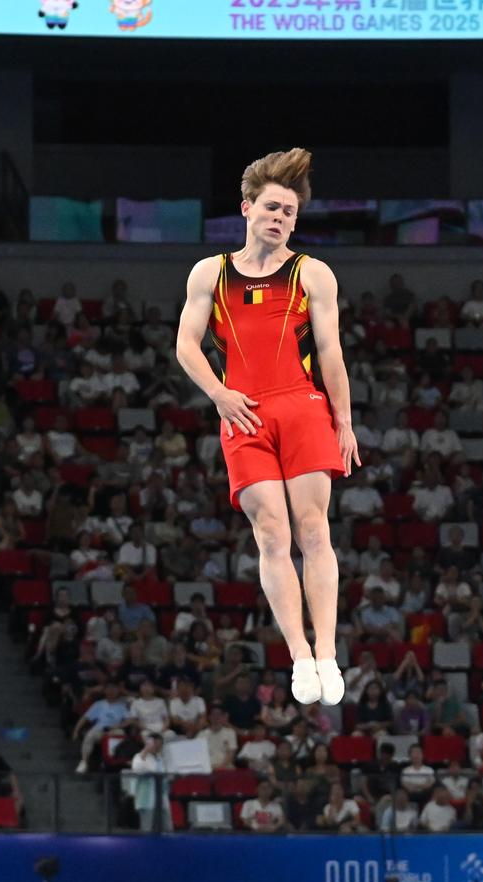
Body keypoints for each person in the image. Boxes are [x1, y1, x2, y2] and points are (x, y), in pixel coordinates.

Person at [175, 148, 359, 707]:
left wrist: (343, 421)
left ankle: (326, 652)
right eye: (272, 208)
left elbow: (330, 351)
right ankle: (300, 657)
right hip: (244, 411)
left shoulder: (313, 273)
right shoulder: (211, 272)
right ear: (247, 209)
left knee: (313, 530)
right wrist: (220, 393)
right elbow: (185, 344)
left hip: (303, 407)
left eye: (290, 212)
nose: (281, 218)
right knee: (272, 535)